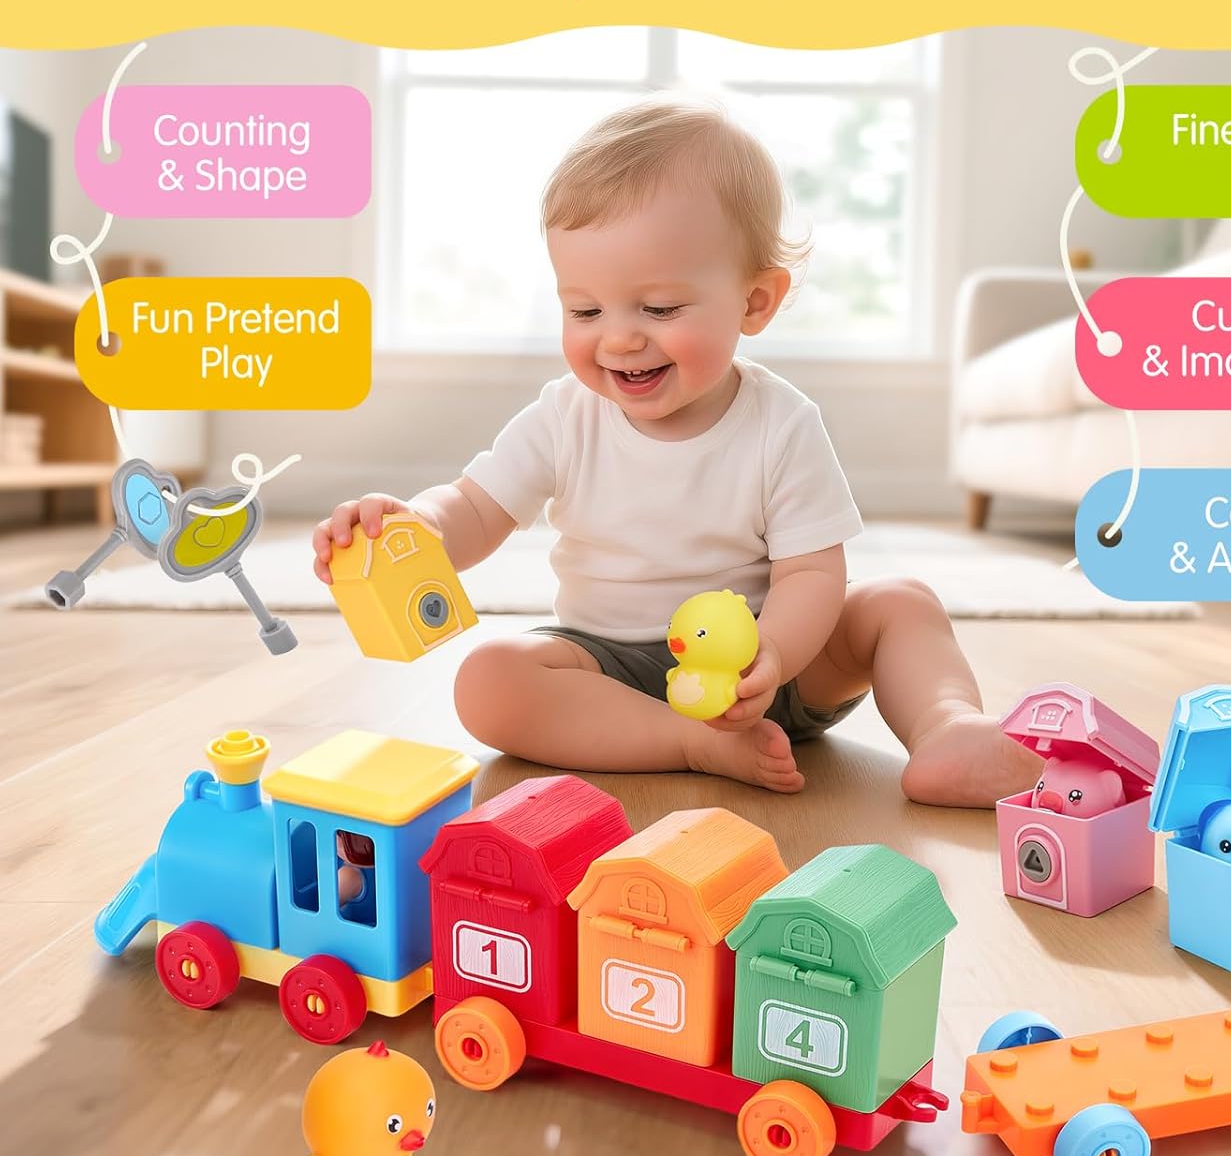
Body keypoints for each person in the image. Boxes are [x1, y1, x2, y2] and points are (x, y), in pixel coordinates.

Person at [313, 97, 1039, 806]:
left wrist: (775, 653)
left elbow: (813, 571)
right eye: (585, 311)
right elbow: (475, 509)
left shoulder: (780, 422)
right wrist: (413, 525)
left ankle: (946, 729)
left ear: (756, 302)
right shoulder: (566, 415)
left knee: (900, 605)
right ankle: (687, 743)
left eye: (659, 309)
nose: (620, 338)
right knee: (491, 678)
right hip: (609, 671)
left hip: (765, 668)